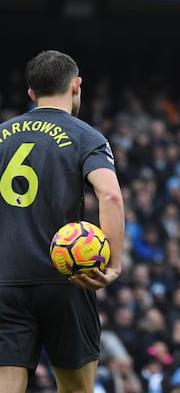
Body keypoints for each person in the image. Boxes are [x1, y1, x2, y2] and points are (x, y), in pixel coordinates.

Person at [0, 50, 125, 392]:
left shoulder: (2, 135)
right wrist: (113, 264)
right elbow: (111, 195)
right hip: (68, 278)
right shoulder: (86, 136)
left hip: (6, 281)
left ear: (31, 93)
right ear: (76, 85)